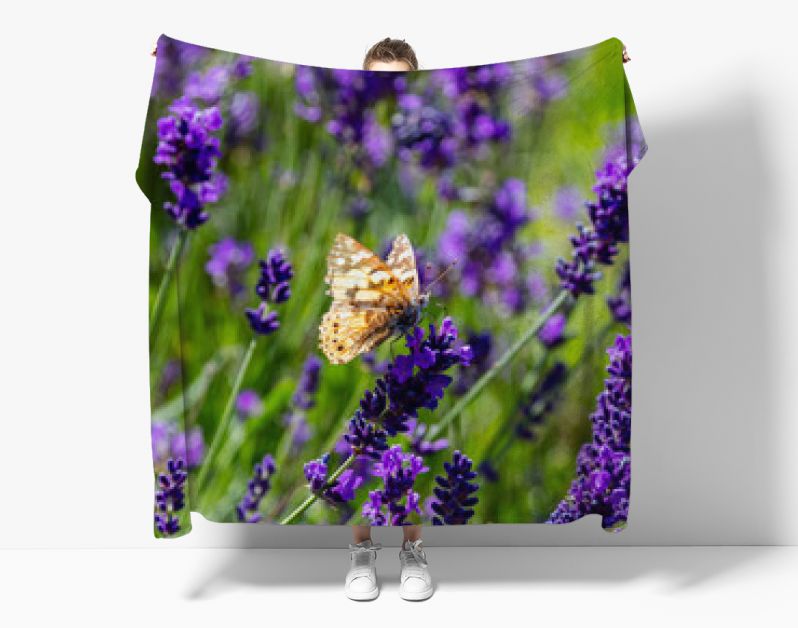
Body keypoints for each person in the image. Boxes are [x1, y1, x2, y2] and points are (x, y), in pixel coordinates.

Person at [344, 37, 431, 603]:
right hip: (365, 330)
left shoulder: (422, 118)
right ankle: (359, 551)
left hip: (387, 350)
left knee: (401, 469)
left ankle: (413, 551)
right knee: (359, 463)